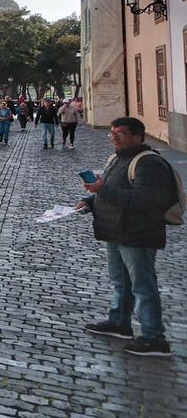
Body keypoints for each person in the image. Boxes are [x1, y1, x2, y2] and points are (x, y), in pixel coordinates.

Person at [77, 117, 176, 357]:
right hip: (115, 230)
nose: (113, 138)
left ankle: (154, 338)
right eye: (112, 133)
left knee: (143, 287)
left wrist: (101, 190)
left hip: (137, 233)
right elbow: (112, 190)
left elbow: (145, 200)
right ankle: (120, 322)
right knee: (120, 282)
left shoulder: (149, 163)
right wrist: (90, 201)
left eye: (119, 134)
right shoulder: (116, 159)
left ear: (137, 136)